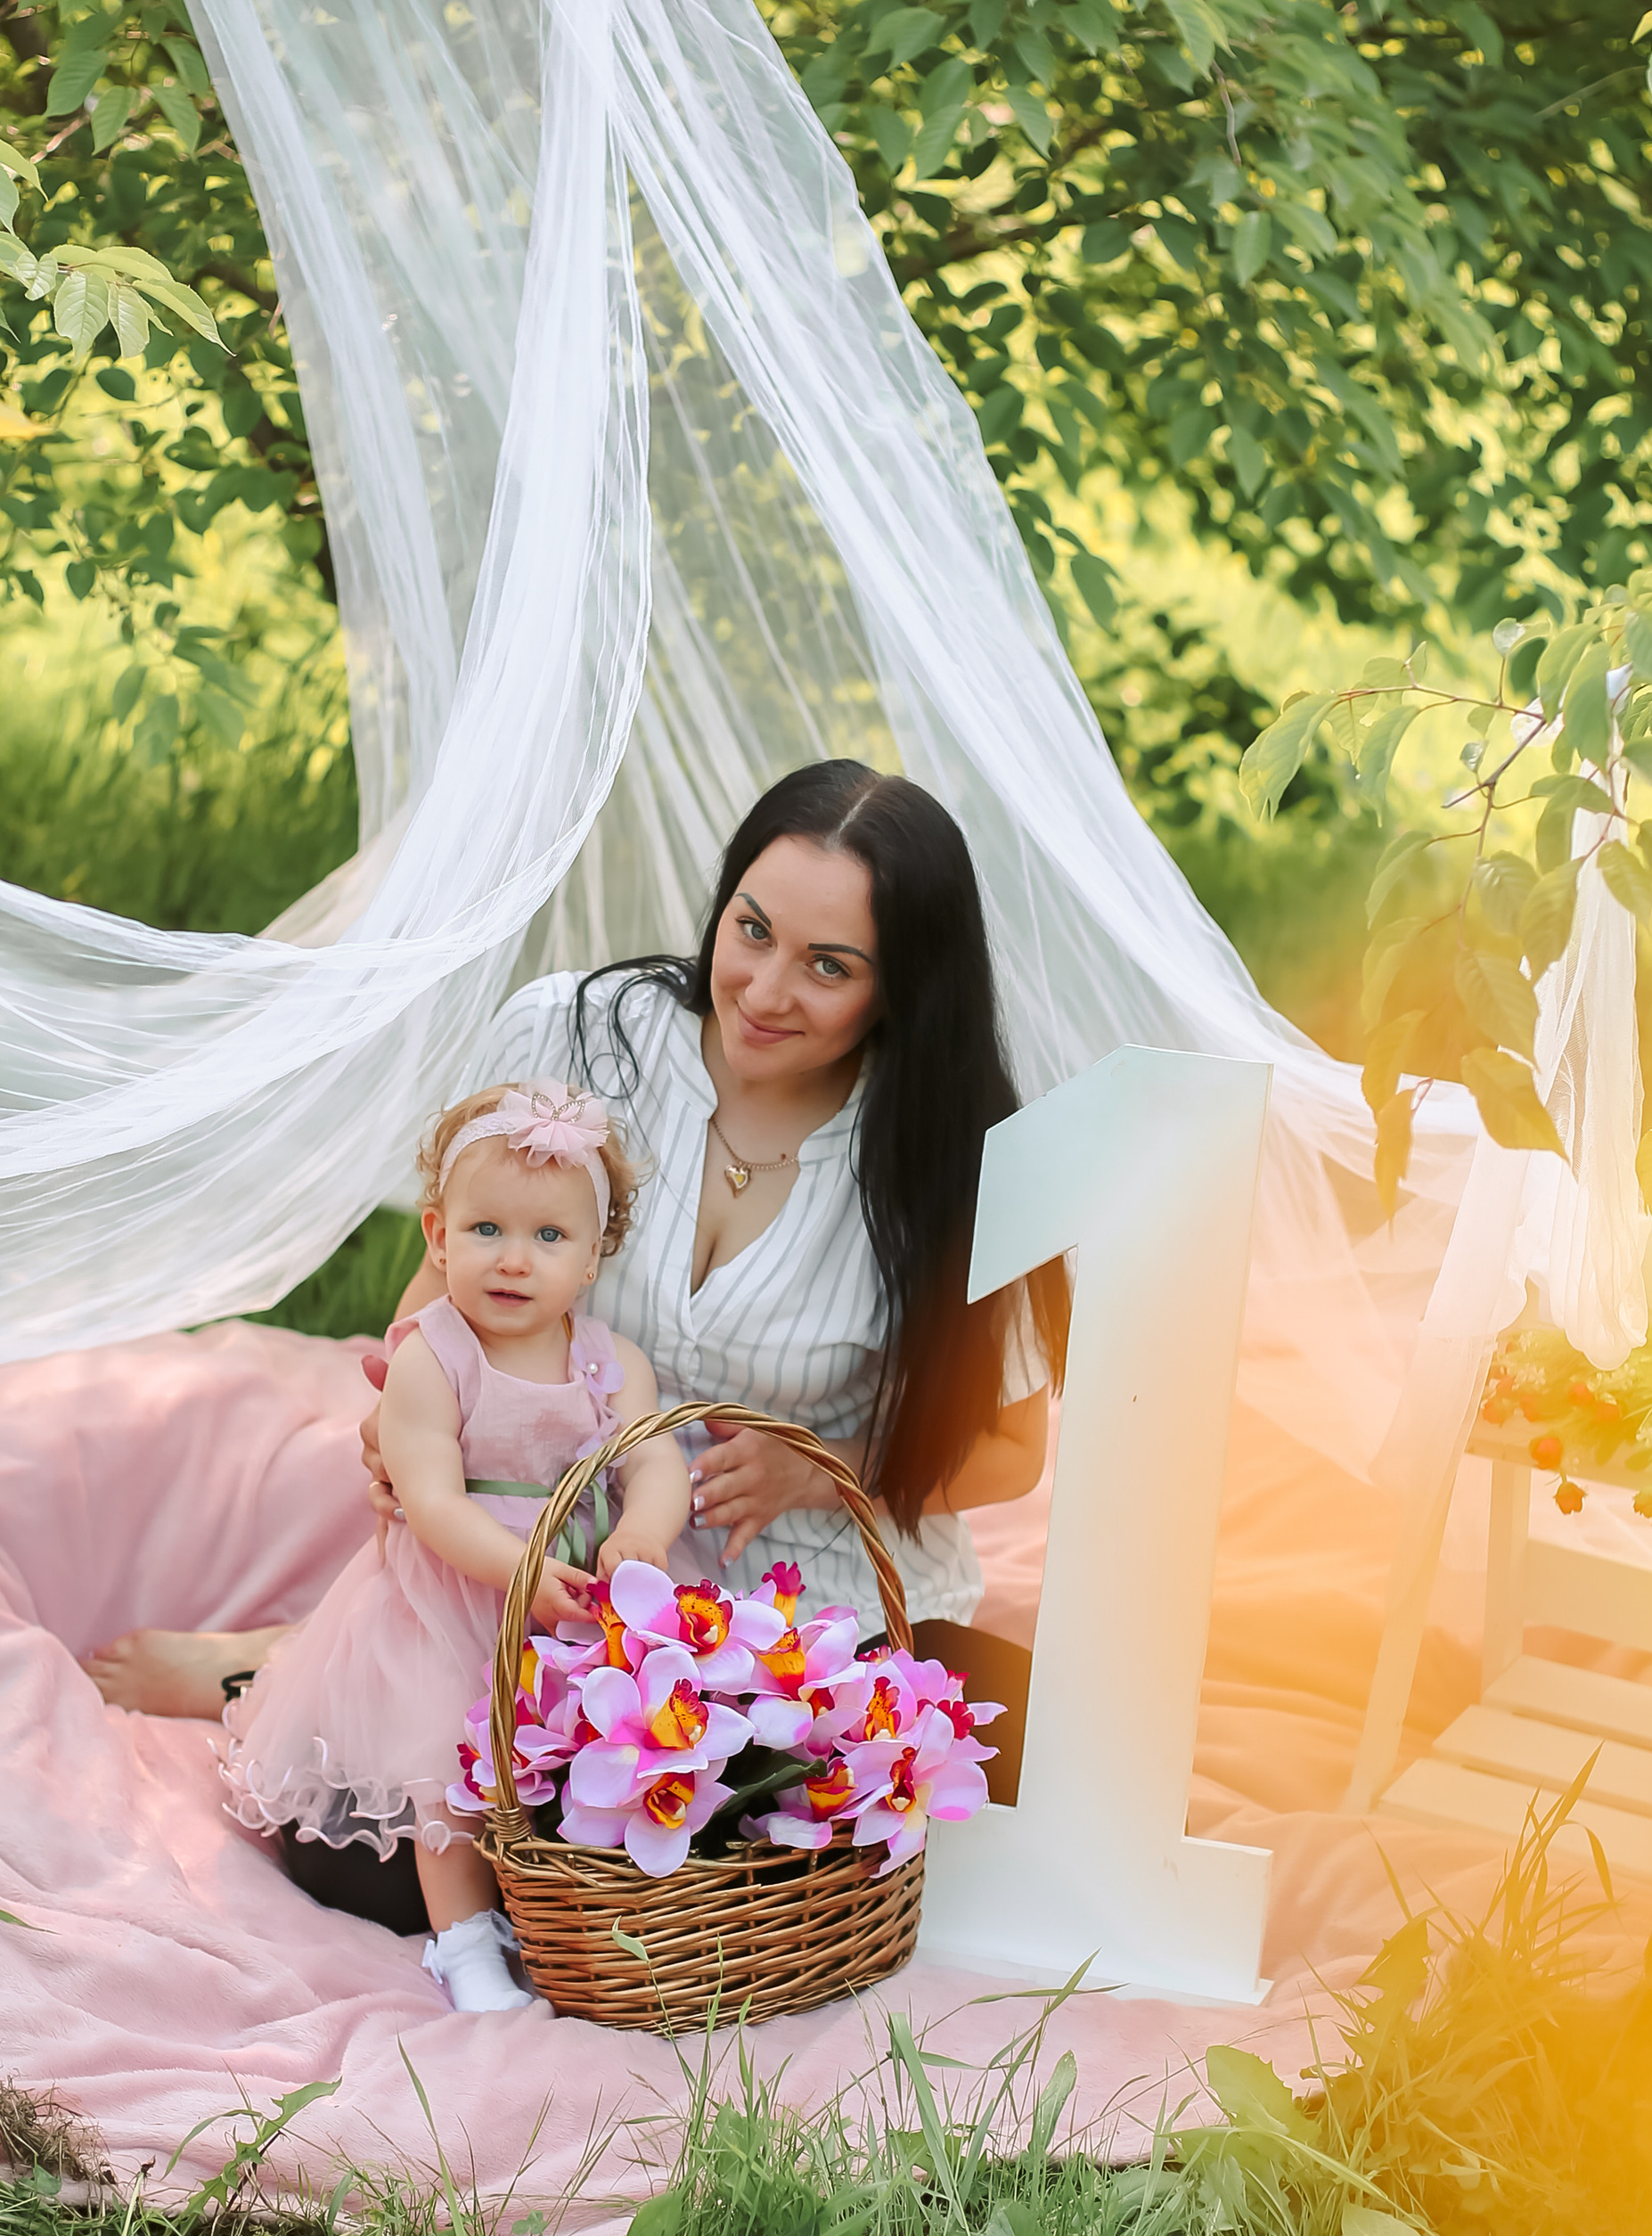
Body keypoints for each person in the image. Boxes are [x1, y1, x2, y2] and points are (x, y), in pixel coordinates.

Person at [89, 760, 1069, 1922]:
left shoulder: (950, 1153)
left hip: (804, 1605)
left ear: (902, 989)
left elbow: (1011, 1449)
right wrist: (411, 1417)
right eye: (750, 930)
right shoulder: (587, 1038)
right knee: (365, 1859)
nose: (762, 988)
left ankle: (332, 1680)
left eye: (828, 966)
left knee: (998, 1774)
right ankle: (273, 1673)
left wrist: (833, 1467)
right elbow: (444, 1283)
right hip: (550, 1572)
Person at [217, 1080, 693, 2011]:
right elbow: (430, 1500)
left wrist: (640, 1531)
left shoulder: (609, 1361)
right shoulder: (433, 1356)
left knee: (590, 1749)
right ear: (437, 1235)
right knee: (448, 1757)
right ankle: (463, 1941)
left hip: (569, 1609)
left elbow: (659, 1461)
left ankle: (566, 1910)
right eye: (486, 1232)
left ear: (594, 1256)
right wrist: (518, 1571)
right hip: (444, 1604)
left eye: (549, 1238)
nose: (514, 1261)